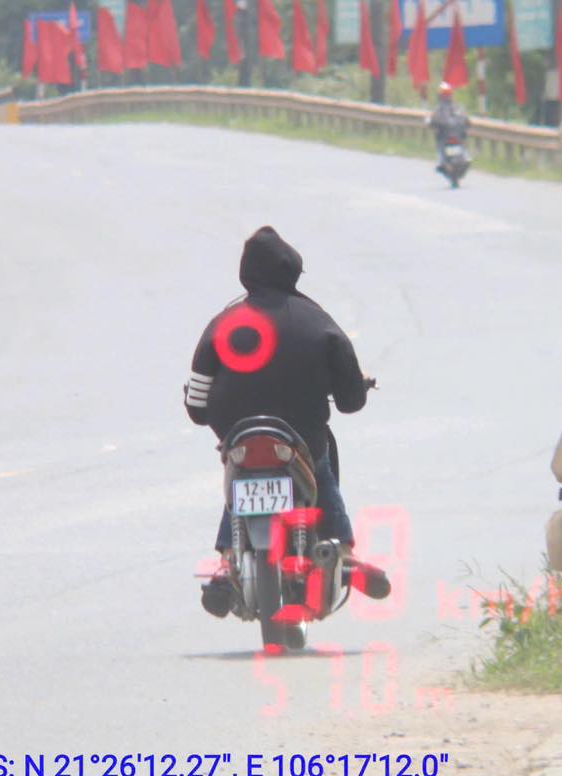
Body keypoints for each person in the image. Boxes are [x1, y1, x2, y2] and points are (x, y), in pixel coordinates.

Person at [185, 227, 388, 617]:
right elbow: (350, 401)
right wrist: (357, 388)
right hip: (301, 440)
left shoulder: (221, 324)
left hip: (239, 440)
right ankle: (342, 551)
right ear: (293, 271)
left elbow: (196, 406)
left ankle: (227, 560)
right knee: (321, 467)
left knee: (240, 478)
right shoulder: (319, 322)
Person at [427, 82, 470, 174]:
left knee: (463, 144)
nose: (447, 96)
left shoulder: (457, 107)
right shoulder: (439, 109)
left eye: (448, 94)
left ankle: (464, 157)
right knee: (441, 145)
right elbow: (433, 121)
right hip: (445, 137)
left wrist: (465, 123)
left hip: (456, 137)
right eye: (445, 94)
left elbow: (466, 119)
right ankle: (443, 160)